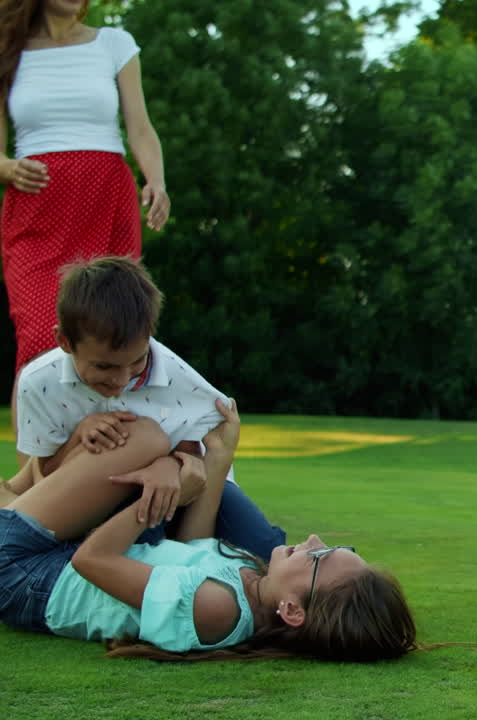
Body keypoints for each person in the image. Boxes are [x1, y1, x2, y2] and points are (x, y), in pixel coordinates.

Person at [0, 400, 419, 661]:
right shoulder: (247, 587)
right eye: (332, 545)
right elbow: (189, 550)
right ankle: (24, 484)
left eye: (321, 558)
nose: (313, 540)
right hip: (58, 564)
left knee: (145, 438)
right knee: (145, 445)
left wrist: (161, 488)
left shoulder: (218, 610)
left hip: (26, 575)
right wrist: (219, 458)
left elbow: (90, 561)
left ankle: (25, 483)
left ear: (293, 611)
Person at [8, 255, 285, 559]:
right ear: (64, 341)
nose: (121, 379)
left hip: (195, 490)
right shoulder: (38, 382)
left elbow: (199, 451)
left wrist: (166, 465)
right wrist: (79, 434)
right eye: (104, 366)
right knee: (142, 560)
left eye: (138, 361)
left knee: (263, 553)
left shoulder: (183, 381)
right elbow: (46, 473)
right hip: (112, 494)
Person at [0, 0, 170, 380]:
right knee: (40, 342)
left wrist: (156, 181)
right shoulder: (7, 50)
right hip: (37, 205)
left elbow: (140, 128)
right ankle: (38, 442)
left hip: (106, 199)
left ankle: (109, 437)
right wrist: (8, 167)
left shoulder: (114, 44)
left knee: (115, 332)